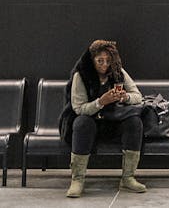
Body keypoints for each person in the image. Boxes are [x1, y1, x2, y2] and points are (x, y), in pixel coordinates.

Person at [62, 39, 146, 198]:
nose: (104, 64)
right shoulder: (81, 76)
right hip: (91, 123)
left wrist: (124, 97)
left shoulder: (118, 72)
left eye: (108, 60)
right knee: (82, 123)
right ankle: (77, 179)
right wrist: (101, 102)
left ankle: (128, 177)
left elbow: (138, 97)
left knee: (134, 121)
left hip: (112, 121)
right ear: (92, 59)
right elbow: (79, 108)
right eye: (100, 61)